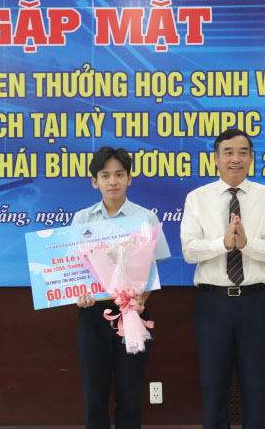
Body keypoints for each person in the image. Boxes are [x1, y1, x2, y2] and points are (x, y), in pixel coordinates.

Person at [180, 129, 265, 429]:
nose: (235, 159)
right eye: (228, 152)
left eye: (243, 152)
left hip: (255, 303)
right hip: (213, 305)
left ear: (252, 159)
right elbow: (189, 251)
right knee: (214, 390)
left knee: (255, 389)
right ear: (216, 159)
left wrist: (246, 244)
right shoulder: (197, 198)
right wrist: (223, 244)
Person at [72, 146, 171, 429]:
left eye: (119, 174)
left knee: (129, 393)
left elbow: (154, 267)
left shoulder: (145, 218)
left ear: (130, 178)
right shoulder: (82, 220)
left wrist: (140, 299)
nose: (112, 181)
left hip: (133, 314)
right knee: (94, 395)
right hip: (92, 316)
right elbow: (75, 271)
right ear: (95, 181)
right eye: (105, 175)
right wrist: (79, 293)